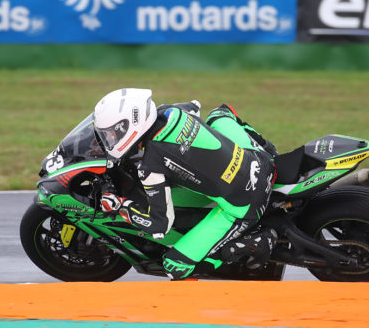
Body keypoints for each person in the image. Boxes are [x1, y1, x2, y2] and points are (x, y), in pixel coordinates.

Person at [94, 88, 278, 280]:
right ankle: (270, 149)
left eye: (113, 133)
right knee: (220, 113)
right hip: (260, 160)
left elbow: (159, 225)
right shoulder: (170, 111)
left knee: (174, 266)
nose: (110, 139)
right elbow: (194, 107)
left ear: (130, 126)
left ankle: (253, 243)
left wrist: (120, 206)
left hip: (246, 202)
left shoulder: (149, 166)